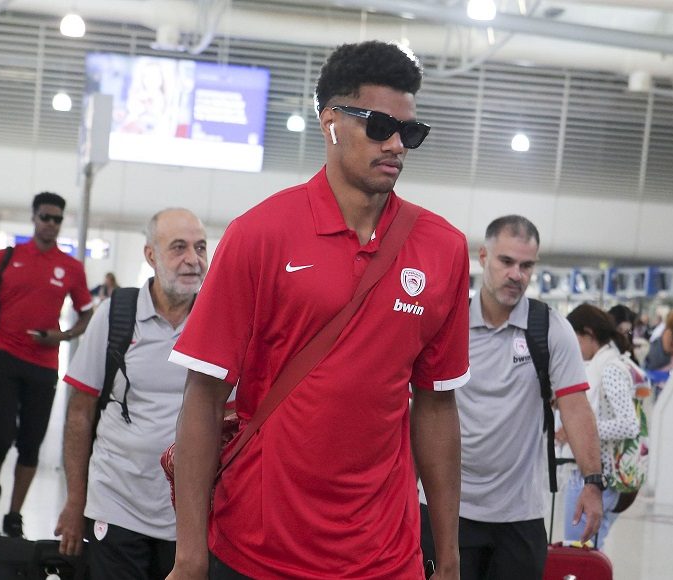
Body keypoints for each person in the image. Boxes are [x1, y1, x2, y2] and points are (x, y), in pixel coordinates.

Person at [166, 41, 471, 580]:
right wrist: (190, 556)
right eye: (380, 126)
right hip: (258, 547)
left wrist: (447, 556)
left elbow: (436, 406)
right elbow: (204, 394)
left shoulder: (442, 248)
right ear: (330, 121)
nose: (396, 145)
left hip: (385, 556)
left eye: (410, 132)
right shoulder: (259, 235)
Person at [54, 208, 208, 579]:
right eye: (179, 247)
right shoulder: (115, 315)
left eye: (201, 247)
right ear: (151, 255)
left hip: (188, 514)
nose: (193, 259)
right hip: (116, 502)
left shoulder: (216, 319)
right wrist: (75, 501)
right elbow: (80, 412)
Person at [451, 215, 602, 580]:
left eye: (526, 265)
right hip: (447, 507)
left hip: (520, 513)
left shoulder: (549, 328)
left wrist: (593, 482)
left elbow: (576, 409)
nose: (516, 274)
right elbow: (421, 406)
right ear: (483, 257)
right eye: (506, 261)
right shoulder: (450, 322)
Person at [0, 191, 93, 538]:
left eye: (57, 219)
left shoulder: (72, 268)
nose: (51, 224)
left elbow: (87, 314)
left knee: (31, 443)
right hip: (3, 356)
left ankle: (14, 514)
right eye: (45, 217)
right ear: (34, 218)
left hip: (43, 365)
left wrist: (63, 336)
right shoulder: (6, 257)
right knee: (0, 437)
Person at [560, 304, 640, 550]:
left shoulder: (610, 369)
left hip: (597, 476)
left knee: (578, 552)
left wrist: (580, 430)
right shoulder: (604, 364)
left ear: (588, 333)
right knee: (589, 550)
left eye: (574, 340)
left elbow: (629, 425)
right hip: (600, 476)